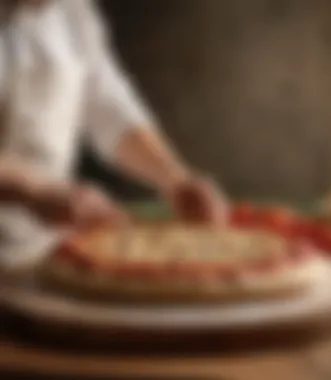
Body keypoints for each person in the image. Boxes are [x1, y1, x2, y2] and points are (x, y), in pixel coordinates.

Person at [0, 0, 228, 274]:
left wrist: (175, 179)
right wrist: (34, 190)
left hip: (45, 252)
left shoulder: (72, 12)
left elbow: (109, 108)